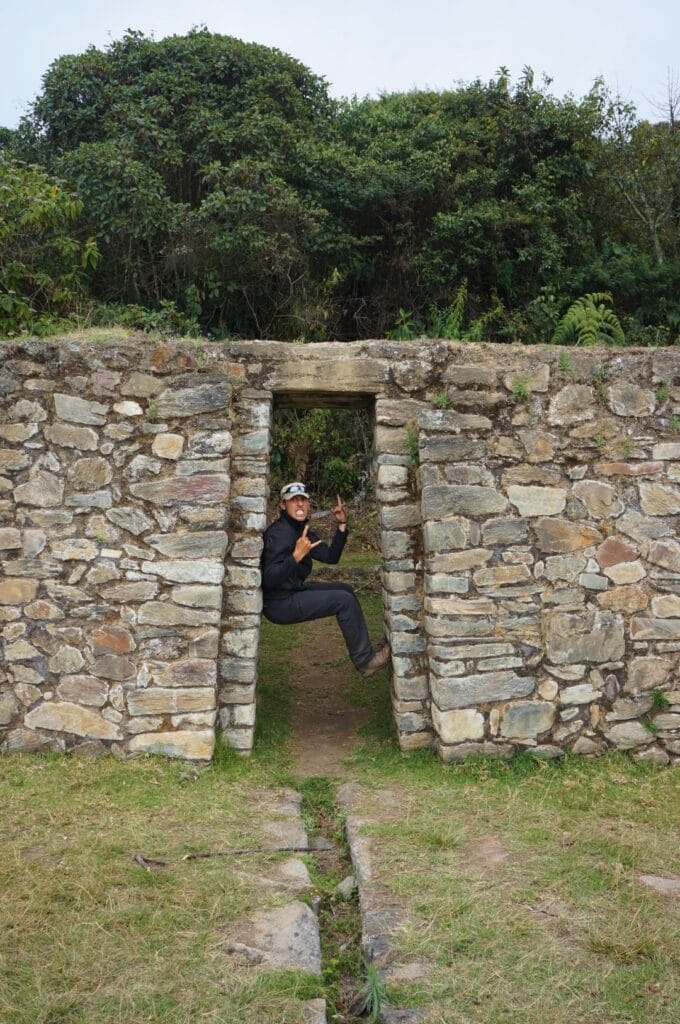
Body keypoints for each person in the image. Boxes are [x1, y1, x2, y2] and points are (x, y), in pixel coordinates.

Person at [261, 481, 391, 677]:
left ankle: (366, 651)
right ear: (282, 505)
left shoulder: (300, 529)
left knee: (346, 590)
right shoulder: (278, 534)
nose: (299, 505)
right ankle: (365, 662)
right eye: (293, 501)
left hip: (292, 591)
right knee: (343, 600)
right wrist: (295, 557)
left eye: (303, 500)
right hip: (279, 604)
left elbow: (331, 557)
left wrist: (341, 524)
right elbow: (268, 579)